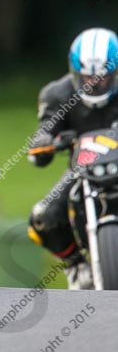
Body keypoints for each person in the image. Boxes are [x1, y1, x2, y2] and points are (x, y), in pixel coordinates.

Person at [27, 27, 118, 290]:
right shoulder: (57, 94)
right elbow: (43, 134)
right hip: (83, 171)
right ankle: (77, 265)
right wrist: (44, 144)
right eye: (88, 77)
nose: (95, 83)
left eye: (103, 76)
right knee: (43, 217)